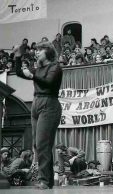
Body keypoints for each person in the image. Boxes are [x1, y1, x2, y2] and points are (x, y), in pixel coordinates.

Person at [14, 41, 63, 189]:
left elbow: (49, 83)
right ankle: (47, 181)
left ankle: (44, 180)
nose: (36, 53)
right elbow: (18, 73)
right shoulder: (38, 69)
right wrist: (17, 56)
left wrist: (33, 77)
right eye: (36, 51)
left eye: (39, 51)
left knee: (42, 144)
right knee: (39, 145)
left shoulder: (55, 67)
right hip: (36, 104)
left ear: (47, 52)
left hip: (49, 104)